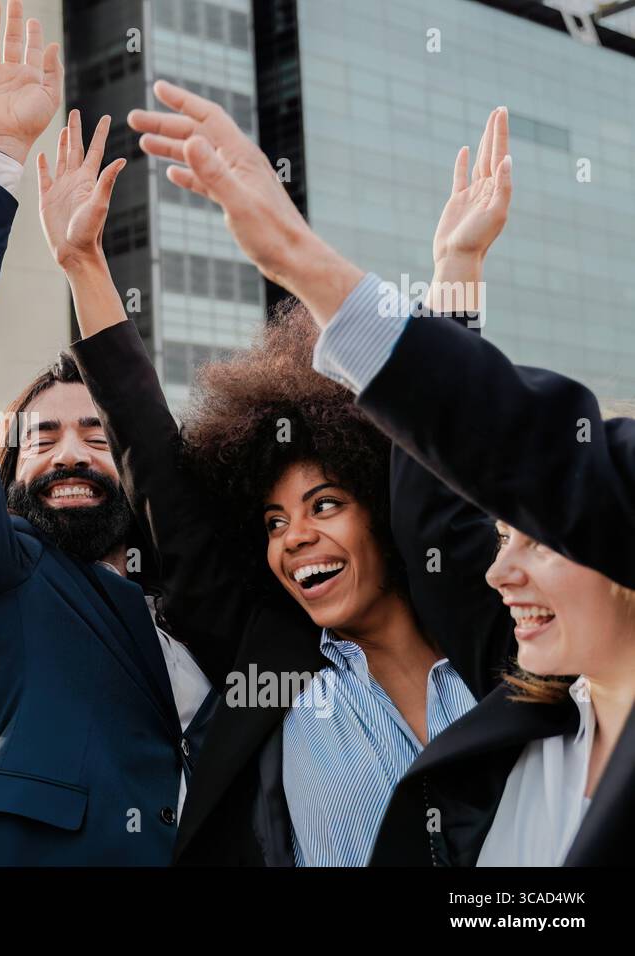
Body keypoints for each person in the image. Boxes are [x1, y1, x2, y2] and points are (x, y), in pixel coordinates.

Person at [134, 85, 635, 864]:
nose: (502, 570)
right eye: (273, 521)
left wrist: (313, 260)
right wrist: (454, 275)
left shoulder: (512, 685)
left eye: (324, 504)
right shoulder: (543, 728)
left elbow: (474, 476)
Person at [42, 110, 521, 865]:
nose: (294, 536)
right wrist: (83, 267)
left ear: (384, 515)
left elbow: (441, 485)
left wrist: (458, 271)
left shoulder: (496, 637)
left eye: (324, 504)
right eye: (271, 521)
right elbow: (159, 469)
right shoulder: (268, 666)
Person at [0, 0, 212, 866]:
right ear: (5, 472)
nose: (71, 450)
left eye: (94, 436)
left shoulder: (197, 592)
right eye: (41, 439)